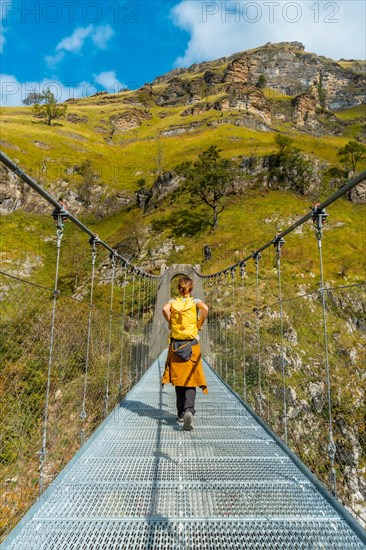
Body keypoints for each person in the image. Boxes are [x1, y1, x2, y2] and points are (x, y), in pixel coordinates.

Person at [161, 276, 208, 431]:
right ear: (191, 289)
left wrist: (170, 322)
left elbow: (164, 309)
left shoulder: (173, 302)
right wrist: (198, 323)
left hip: (176, 345)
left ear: (178, 289)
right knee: (190, 380)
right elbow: (206, 309)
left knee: (179, 379)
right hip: (191, 345)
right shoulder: (195, 302)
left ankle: (181, 413)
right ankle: (189, 410)